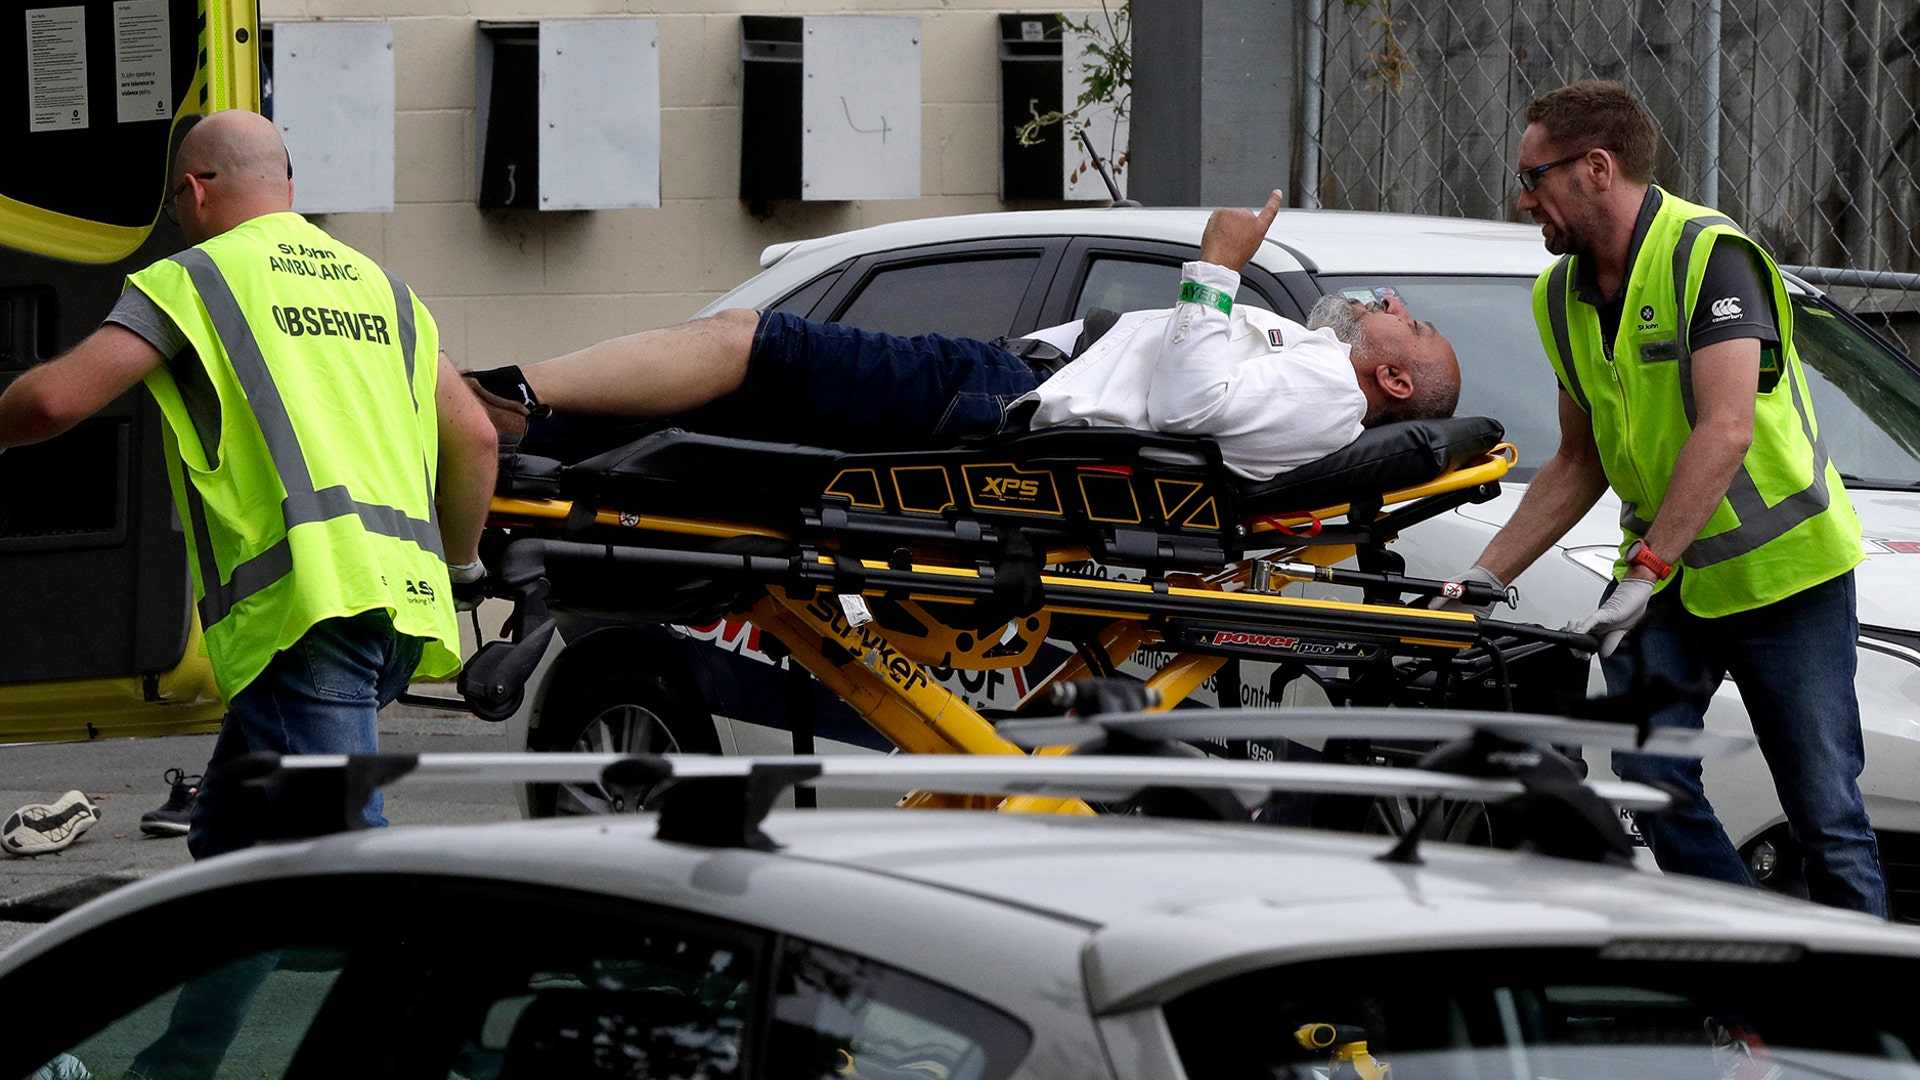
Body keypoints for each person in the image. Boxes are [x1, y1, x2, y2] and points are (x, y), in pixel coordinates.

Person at [0, 110, 498, 860]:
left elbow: (51, 402)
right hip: (400, 613)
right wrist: (460, 569)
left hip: (306, 618)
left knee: (345, 862)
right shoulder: (385, 289)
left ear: (195, 191)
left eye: (173, 202)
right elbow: (476, 437)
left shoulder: (195, 278)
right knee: (230, 852)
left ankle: (404, 981)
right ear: (285, 186)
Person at [1440, 81, 1885, 915]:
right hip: (1668, 579)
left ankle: (1873, 1029)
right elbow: (1579, 461)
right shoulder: (1559, 294)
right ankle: (1753, 966)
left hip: (1782, 575)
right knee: (1648, 776)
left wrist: (1642, 572)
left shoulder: (1708, 257)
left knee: (1826, 814)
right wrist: (1481, 576)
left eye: (1535, 178)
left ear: (1595, 168)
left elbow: (1726, 431)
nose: (1522, 198)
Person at [464, 191, 1461, 481]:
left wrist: (1215, 263)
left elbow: (1194, 405)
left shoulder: (1331, 389)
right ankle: (518, 438)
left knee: (743, 339)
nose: (1383, 301)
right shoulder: (1317, 364)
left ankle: (499, 396)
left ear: (1396, 383)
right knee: (729, 402)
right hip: (1011, 385)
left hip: (1007, 399)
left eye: (1402, 320)